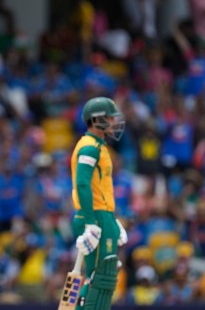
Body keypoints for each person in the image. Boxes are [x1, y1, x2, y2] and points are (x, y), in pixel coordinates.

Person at [70, 96, 128, 310]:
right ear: (97, 119)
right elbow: (83, 184)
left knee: (105, 274)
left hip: (103, 215)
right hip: (93, 215)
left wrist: (111, 222)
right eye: (110, 118)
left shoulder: (99, 146)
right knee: (100, 276)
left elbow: (99, 189)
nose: (114, 122)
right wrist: (91, 222)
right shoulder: (89, 147)